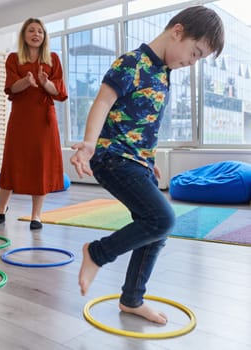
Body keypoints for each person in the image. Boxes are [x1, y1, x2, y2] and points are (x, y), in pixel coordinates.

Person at [70, 6, 224, 324]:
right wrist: (88, 144)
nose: (192, 62)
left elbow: (145, 123)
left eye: (199, 59)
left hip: (137, 161)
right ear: (177, 31)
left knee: (156, 232)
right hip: (112, 157)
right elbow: (103, 102)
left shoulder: (163, 73)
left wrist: (149, 160)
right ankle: (96, 253)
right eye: (194, 53)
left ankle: (131, 299)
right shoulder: (132, 63)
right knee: (162, 219)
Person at [0, 18, 67, 230]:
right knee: (12, 161)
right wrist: (26, 82)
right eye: (31, 31)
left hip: (44, 119)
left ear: (44, 37)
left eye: (40, 31)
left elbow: (59, 91)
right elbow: (11, 88)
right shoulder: (13, 58)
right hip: (21, 118)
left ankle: (36, 215)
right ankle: (1, 208)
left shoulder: (53, 58)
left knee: (40, 164)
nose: (36, 34)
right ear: (24, 35)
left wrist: (45, 83)